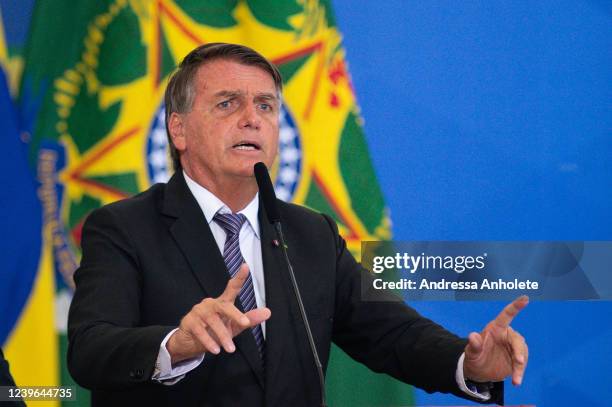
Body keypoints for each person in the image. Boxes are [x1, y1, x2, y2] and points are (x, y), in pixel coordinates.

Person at [67, 43, 528, 406]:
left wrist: (467, 363)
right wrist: (177, 343)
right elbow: (91, 350)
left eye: (266, 106)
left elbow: (392, 333)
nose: (252, 119)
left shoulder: (311, 234)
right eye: (228, 104)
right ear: (179, 130)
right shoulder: (123, 227)